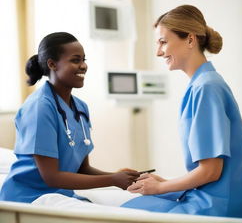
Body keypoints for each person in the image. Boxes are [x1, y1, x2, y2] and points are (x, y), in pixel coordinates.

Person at [121, 5, 242, 218]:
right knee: (133, 205)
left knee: (124, 213)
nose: (158, 52)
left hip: (220, 206)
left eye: (163, 42)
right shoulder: (203, 83)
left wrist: (159, 188)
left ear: (190, 40)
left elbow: (211, 171)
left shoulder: (206, 87)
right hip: (220, 197)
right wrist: (164, 183)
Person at [0, 32, 139, 203]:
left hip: (61, 195)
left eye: (84, 60)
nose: (83, 66)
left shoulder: (80, 107)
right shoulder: (39, 108)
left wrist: (119, 176)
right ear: (52, 64)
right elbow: (51, 178)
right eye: (75, 60)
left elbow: (82, 168)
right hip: (30, 199)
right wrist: (112, 180)